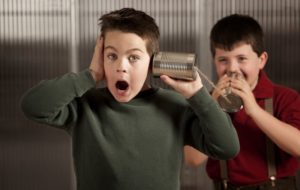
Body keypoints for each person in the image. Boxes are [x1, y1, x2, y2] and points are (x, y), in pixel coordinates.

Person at [21, 8, 239, 190]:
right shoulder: (84, 105)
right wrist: (90, 75)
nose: (121, 67)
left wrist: (197, 95)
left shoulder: (176, 107)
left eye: (133, 57)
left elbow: (227, 147)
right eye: (111, 56)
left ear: (152, 62)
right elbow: (33, 106)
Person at [184, 14, 300, 190]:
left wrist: (254, 109)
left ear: (261, 60)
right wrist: (211, 107)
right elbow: (193, 159)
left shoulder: (285, 97)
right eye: (223, 60)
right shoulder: (204, 101)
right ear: (214, 61)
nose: (232, 68)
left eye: (241, 59)